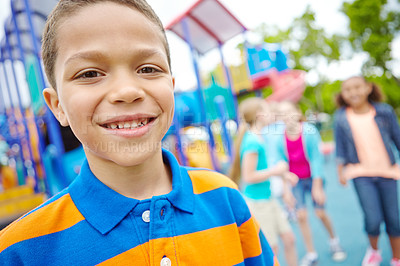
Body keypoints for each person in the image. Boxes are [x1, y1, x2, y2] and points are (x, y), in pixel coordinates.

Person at [0, 1, 278, 265]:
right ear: (58, 106)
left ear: (170, 85)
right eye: (89, 73)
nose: (127, 91)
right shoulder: (20, 251)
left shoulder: (225, 199)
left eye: (147, 68)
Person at [334, 76, 400, 266]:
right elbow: (340, 147)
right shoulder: (341, 117)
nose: (353, 92)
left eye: (357, 87)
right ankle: (374, 251)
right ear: (343, 94)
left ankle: (396, 258)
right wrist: (340, 171)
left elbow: (397, 137)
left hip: (388, 171)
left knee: (394, 219)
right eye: (347, 89)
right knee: (372, 219)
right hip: (360, 172)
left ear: (368, 88)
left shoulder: (384, 112)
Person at [275, 101, 346, 266]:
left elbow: (316, 160)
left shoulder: (309, 131)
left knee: (320, 213)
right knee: (301, 216)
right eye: (282, 113)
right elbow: (282, 163)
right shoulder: (279, 137)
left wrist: (317, 186)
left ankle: (334, 241)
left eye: (288, 111)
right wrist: (286, 190)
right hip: (295, 181)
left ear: (297, 112)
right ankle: (311, 252)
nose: (286, 116)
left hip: (313, 178)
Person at [230, 97, 298, 266]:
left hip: (268, 199)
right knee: (272, 250)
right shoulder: (252, 141)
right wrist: (277, 171)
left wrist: (284, 175)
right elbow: (248, 176)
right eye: (267, 110)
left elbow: (265, 168)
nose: (271, 114)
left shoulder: (261, 137)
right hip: (258, 203)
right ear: (260, 115)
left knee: (289, 239)